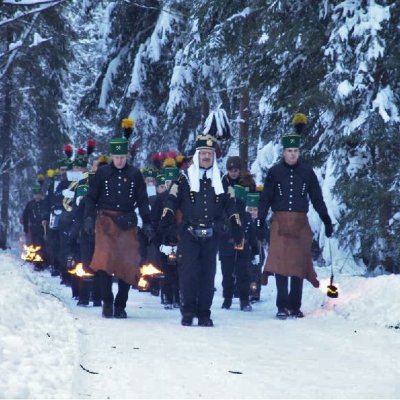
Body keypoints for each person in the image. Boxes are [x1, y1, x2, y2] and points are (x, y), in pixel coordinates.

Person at [160, 134, 243, 327]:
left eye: (210, 154)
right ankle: (188, 311)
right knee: (188, 273)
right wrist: (167, 220)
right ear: (197, 155)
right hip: (189, 232)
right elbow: (171, 199)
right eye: (203, 153)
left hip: (212, 233)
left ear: (214, 156)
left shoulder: (222, 179)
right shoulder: (184, 178)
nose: (206, 157)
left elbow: (231, 205)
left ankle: (204, 312)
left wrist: (236, 226)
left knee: (208, 274)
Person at [257, 113, 333, 319]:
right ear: (283, 152)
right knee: (281, 265)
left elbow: (317, 199)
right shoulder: (274, 172)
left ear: (300, 152)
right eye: (289, 151)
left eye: (295, 151)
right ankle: (281, 306)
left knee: (299, 266)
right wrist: (259, 220)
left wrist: (326, 219)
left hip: (300, 223)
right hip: (279, 222)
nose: (292, 154)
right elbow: (265, 199)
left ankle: (295, 306)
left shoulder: (307, 172)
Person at [84, 135, 153, 319]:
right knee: (103, 261)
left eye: (123, 157)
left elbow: (143, 201)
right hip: (105, 222)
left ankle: (120, 305)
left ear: (127, 157)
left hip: (127, 223)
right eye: (117, 157)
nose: (120, 160)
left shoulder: (135, 175)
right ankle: (107, 301)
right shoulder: (102, 173)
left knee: (128, 263)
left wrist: (147, 222)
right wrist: (89, 219)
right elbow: (91, 198)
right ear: (112, 156)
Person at [219, 177, 259, 312]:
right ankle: (227, 298)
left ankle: (244, 300)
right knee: (227, 275)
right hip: (227, 248)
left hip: (244, 249)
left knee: (244, 274)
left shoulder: (247, 216)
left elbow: (252, 234)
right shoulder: (224, 214)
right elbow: (220, 229)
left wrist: (255, 250)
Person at [22, 184, 47, 269]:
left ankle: (44, 261)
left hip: (44, 228)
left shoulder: (44, 204)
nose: (37, 196)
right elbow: (25, 216)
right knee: (36, 245)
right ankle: (37, 263)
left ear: (41, 194)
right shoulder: (30, 204)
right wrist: (25, 227)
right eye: (35, 194)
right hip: (34, 228)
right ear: (33, 195)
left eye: (39, 194)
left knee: (44, 245)